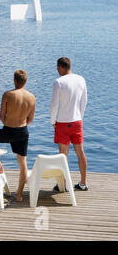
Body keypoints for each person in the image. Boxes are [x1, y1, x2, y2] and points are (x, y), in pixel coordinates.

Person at [0, 70, 36, 202]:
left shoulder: (7, 95)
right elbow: (30, 119)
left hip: (8, 131)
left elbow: (1, 117)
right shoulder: (31, 97)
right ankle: (19, 195)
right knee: (23, 163)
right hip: (23, 132)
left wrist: (8, 123)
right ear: (25, 81)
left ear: (14, 80)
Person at [50, 57, 88, 191]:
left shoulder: (58, 82)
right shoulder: (81, 79)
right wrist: (79, 117)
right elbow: (84, 101)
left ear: (61, 67)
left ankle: (64, 185)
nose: (56, 69)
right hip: (77, 121)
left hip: (62, 123)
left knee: (63, 155)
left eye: (57, 67)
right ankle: (83, 184)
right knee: (80, 152)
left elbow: (54, 104)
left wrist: (52, 121)